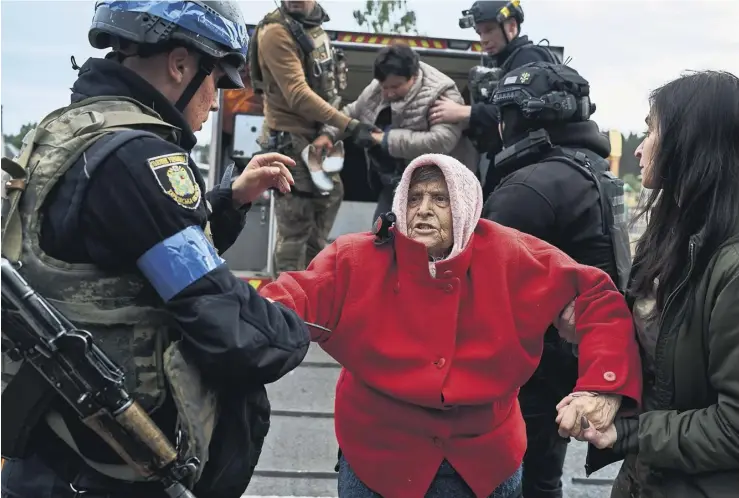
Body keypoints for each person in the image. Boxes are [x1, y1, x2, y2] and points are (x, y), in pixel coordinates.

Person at [0, 2, 310, 497]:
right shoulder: (140, 158)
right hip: (105, 470)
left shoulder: (68, 132)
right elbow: (223, 323)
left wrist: (226, 203)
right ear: (181, 64)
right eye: (217, 79)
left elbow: (124, 251)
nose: (215, 100)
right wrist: (291, 330)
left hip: (48, 451)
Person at [259, 152, 643, 498]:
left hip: (484, 461)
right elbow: (294, 296)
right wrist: (255, 322)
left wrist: (600, 388)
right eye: (414, 198)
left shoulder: (512, 254)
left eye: (440, 199)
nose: (423, 210)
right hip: (379, 459)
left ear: (464, 205)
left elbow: (597, 297)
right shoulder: (355, 257)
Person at [561, 70, 739, 498]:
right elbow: (661, 370)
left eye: (651, 131)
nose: (639, 149)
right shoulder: (670, 239)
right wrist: (588, 341)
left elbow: (734, 428)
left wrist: (631, 433)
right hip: (647, 480)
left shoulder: (731, 269)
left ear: (689, 144)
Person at [479, 61, 632, 498]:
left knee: (509, 475)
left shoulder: (530, 187)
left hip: (535, 365)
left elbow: (478, 287)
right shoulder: (590, 172)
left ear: (521, 117)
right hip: (570, 358)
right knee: (541, 476)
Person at [249, 0, 375, 272]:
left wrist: (331, 132)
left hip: (317, 144)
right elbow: (297, 94)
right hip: (291, 143)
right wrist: (349, 125)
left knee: (323, 214)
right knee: (295, 229)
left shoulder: (313, 27)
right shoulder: (275, 32)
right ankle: (286, 306)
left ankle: (311, 293)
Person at [316, 43, 479, 224]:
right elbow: (351, 112)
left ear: (414, 75)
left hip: (439, 183)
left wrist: (384, 139)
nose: (388, 93)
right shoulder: (379, 87)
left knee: (429, 238)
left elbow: (441, 140)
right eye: (384, 86)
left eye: (395, 87)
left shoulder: (441, 92)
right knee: (381, 234)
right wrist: (328, 134)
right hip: (396, 181)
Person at [429, 0, 559, 198]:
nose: (483, 39)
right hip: (507, 164)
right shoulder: (506, 62)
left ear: (511, 26)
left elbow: (517, 116)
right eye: (479, 33)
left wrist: (463, 112)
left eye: (489, 30)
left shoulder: (528, 58)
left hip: (526, 169)